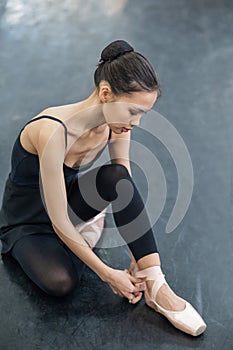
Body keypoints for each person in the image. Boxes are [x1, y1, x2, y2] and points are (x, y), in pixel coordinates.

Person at [0, 40, 206, 336]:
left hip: (69, 204)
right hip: (29, 221)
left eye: (143, 114)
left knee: (116, 176)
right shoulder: (53, 131)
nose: (136, 122)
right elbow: (57, 221)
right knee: (61, 284)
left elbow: (123, 179)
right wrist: (108, 274)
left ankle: (157, 286)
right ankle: (84, 235)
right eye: (133, 111)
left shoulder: (116, 124)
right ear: (106, 93)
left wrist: (138, 259)